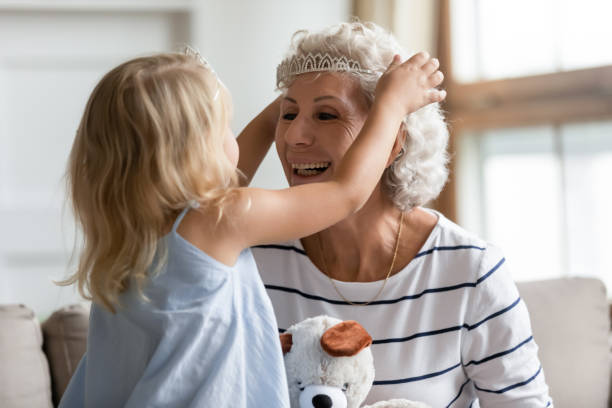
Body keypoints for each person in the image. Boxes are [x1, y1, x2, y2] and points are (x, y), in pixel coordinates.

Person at [57, 47, 445, 407]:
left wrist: (298, 96)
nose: (293, 132)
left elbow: (228, 180)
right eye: (224, 125)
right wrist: (392, 103)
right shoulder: (219, 221)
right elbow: (346, 194)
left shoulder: (138, 232)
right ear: (195, 148)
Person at [249, 22, 553, 407]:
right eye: (288, 115)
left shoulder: (471, 272)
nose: (294, 137)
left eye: (326, 115)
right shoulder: (256, 259)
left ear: (393, 139)